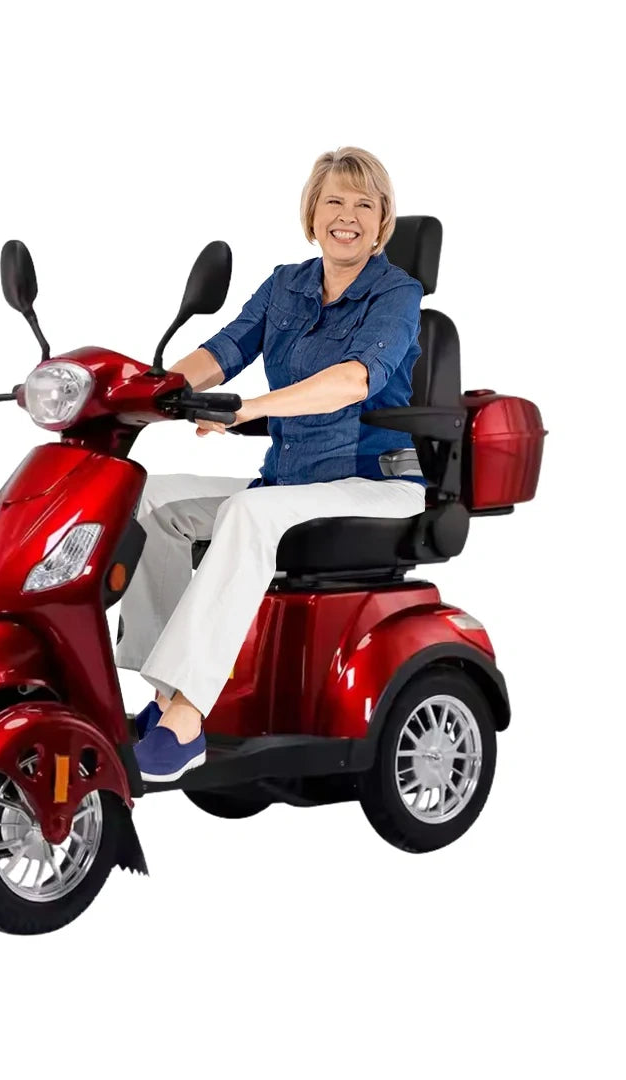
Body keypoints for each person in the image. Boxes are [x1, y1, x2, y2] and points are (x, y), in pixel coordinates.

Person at [116, 146, 428, 782]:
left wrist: (249, 407)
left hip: (375, 482)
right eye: (333, 201)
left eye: (363, 204)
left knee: (250, 513)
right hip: (295, 480)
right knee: (149, 498)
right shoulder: (286, 283)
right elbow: (224, 348)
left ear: (383, 221)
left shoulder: (397, 293)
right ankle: (163, 695)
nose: (347, 216)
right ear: (312, 214)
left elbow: (352, 380)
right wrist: (141, 394)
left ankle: (188, 715)